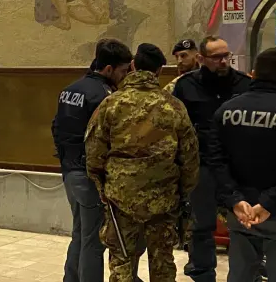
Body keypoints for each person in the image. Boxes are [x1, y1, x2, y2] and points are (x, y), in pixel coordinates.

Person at [86, 43, 198, 282]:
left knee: (122, 260)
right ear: (159, 71)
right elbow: (189, 156)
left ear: (133, 66)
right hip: (163, 197)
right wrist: (182, 191)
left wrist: (102, 186)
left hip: (121, 197)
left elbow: (94, 151)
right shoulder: (174, 106)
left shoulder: (111, 103)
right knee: (162, 261)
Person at [210, 48, 276, 282]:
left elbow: (215, 160)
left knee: (241, 275)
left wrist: (234, 199)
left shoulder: (226, 111)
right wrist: (269, 203)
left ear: (253, 74)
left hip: (241, 212)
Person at [52, 38, 134, 282]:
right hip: (90, 177)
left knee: (80, 233)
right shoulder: (104, 97)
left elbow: (56, 128)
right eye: (123, 71)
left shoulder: (70, 89)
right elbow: (108, 140)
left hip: (69, 171)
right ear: (108, 69)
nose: (125, 76)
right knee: (94, 240)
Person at [172, 36, 251, 282]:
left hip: (237, 165)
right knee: (201, 224)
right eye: (217, 57)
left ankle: (247, 274)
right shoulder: (186, 86)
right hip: (202, 165)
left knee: (244, 223)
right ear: (201, 59)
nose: (224, 61)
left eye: (226, 56)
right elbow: (178, 128)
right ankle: (202, 273)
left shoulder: (245, 84)